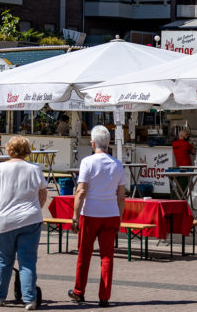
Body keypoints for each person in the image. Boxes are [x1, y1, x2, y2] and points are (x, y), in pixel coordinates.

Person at [0, 136, 47, 310]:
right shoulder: (34, 169)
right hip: (30, 219)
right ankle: (30, 299)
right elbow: (43, 193)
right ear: (27, 151)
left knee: (4, 261)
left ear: (9, 150)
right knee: (27, 261)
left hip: (4, 221)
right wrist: (36, 208)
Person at [68, 126, 126, 308]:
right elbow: (121, 195)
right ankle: (104, 295)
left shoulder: (88, 162)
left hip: (90, 213)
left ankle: (79, 291)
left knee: (84, 254)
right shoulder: (117, 164)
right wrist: (120, 217)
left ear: (93, 143)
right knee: (107, 256)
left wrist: (75, 216)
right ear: (108, 143)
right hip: (110, 213)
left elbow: (81, 191)